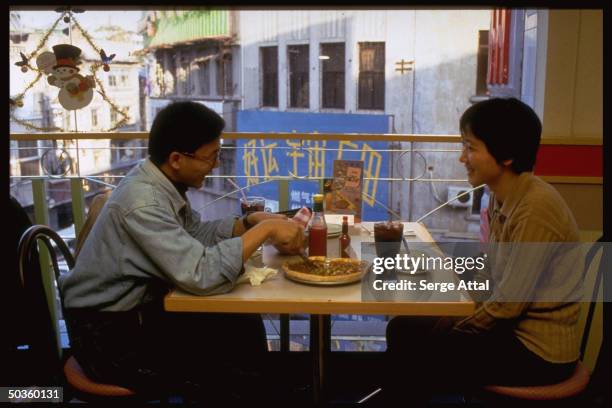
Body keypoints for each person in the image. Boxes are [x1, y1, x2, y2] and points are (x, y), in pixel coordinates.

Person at [59, 101, 305, 402]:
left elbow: (192, 236)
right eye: (211, 156)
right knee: (229, 354)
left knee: (241, 324)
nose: (215, 164)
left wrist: (247, 223)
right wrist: (264, 231)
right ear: (177, 158)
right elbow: (201, 274)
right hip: (110, 338)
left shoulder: (158, 180)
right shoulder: (145, 203)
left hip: (133, 315)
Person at [383, 98, 582, 405]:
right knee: (403, 329)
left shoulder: (536, 207)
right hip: (511, 334)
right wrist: (448, 312)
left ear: (507, 155)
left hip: (538, 352)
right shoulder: (500, 199)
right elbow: (488, 277)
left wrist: (454, 326)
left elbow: (506, 306)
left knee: (418, 351)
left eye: (471, 147)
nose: (463, 158)